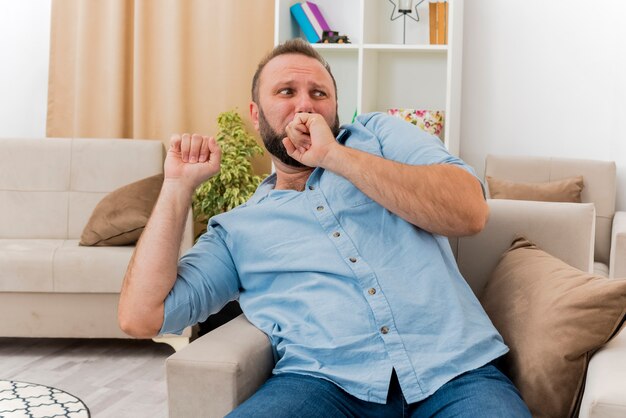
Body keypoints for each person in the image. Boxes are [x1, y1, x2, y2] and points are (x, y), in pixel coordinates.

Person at [118, 39, 531, 417]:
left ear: (336, 108)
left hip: (456, 374)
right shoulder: (238, 229)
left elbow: (469, 212)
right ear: (255, 114)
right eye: (286, 92)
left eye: (319, 94)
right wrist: (176, 188)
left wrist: (334, 156)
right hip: (320, 386)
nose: (305, 106)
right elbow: (141, 318)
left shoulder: (380, 135)